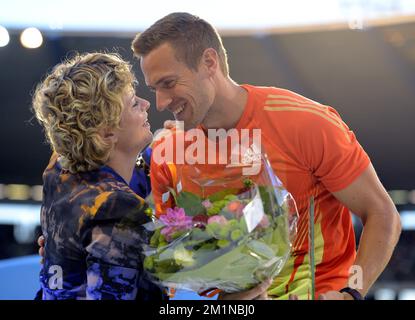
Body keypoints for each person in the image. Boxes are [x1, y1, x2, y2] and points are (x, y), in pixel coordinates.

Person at [130, 12, 402, 300]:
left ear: (209, 63)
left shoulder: (305, 123)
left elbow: (382, 214)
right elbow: (173, 260)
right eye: (154, 89)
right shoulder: (167, 149)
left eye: (169, 83)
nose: (160, 103)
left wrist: (352, 292)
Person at [32, 52, 166, 300]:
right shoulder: (119, 207)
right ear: (106, 134)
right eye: (134, 103)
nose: (147, 104)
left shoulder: (58, 171)